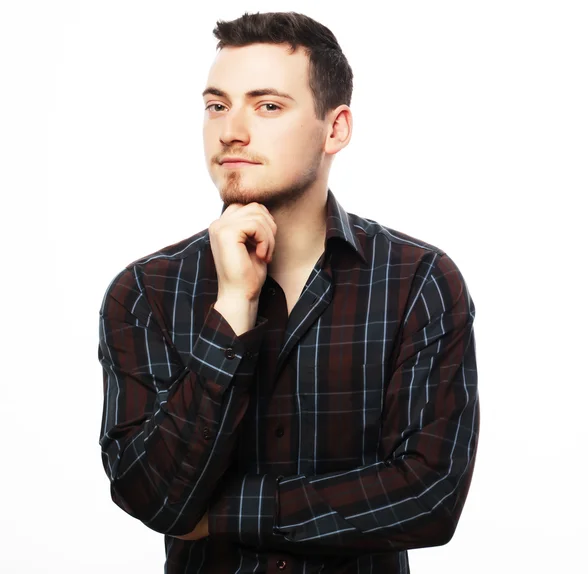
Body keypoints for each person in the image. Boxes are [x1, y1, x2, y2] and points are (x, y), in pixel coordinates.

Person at [97, 10, 480, 574]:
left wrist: (223, 517)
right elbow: (150, 494)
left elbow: (428, 498)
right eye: (217, 105)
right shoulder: (144, 292)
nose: (230, 130)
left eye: (268, 105)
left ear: (336, 129)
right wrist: (231, 310)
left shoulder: (418, 281)